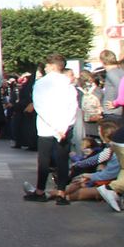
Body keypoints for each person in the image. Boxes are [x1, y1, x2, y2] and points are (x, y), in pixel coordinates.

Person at [24, 54, 80, 204]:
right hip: (65, 127)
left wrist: (55, 126)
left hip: (46, 127)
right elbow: (73, 107)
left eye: (47, 65)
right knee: (63, 159)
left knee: (44, 160)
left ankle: (40, 191)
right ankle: (61, 192)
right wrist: (64, 127)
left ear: (53, 66)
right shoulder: (68, 85)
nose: (46, 68)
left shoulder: (41, 83)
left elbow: (39, 106)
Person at [97, 50, 124, 119]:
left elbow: (121, 89)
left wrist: (115, 103)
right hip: (121, 111)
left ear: (102, 61)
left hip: (112, 112)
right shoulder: (123, 72)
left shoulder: (111, 73)